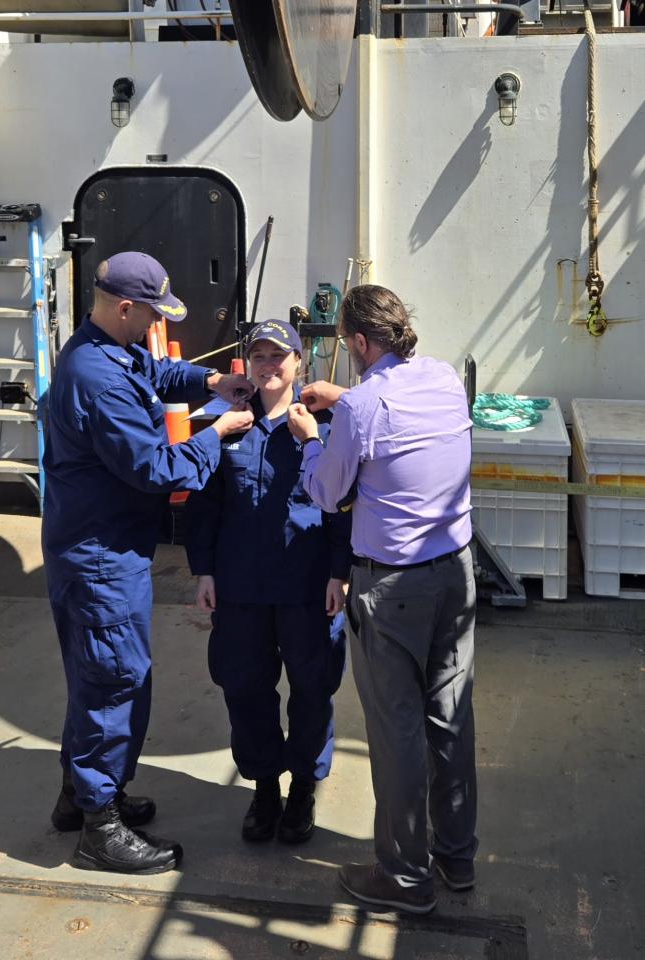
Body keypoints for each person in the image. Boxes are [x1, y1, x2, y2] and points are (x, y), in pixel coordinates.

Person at [42, 251, 255, 875]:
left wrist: (209, 384)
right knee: (114, 680)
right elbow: (155, 470)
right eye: (151, 314)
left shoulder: (104, 349)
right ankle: (98, 828)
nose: (153, 325)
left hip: (99, 548)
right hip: (102, 558)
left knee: (97, 678)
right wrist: (217, 433)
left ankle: (77, 797)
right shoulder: (99, 380)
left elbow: (155, 373)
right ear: (124, 307)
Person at [287, 284, 477, 915]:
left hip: (392, 588)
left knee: (397, 733)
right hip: (455, 574)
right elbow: (396, 420)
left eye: (347, 344)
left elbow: (327, 491)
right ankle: (455, 855)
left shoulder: (364, 408)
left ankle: (403, 877)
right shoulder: (445, 380)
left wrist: (311, 434)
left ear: (361, 343)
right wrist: (347, 401)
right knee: (450, 717)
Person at [185, 319, 351, 845]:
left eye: (279, 355)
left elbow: (341, 509)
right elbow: (203, 507)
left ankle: (302, 787)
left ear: (299, 363)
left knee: (311, 689)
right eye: (258, 355)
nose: (268, 365)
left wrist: (339, 573)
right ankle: (263, 788)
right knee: (245, 690)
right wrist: (204, 570)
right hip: (240, 588)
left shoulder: (321, 428)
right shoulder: (224, 426)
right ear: (247, 365)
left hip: (306, 587)